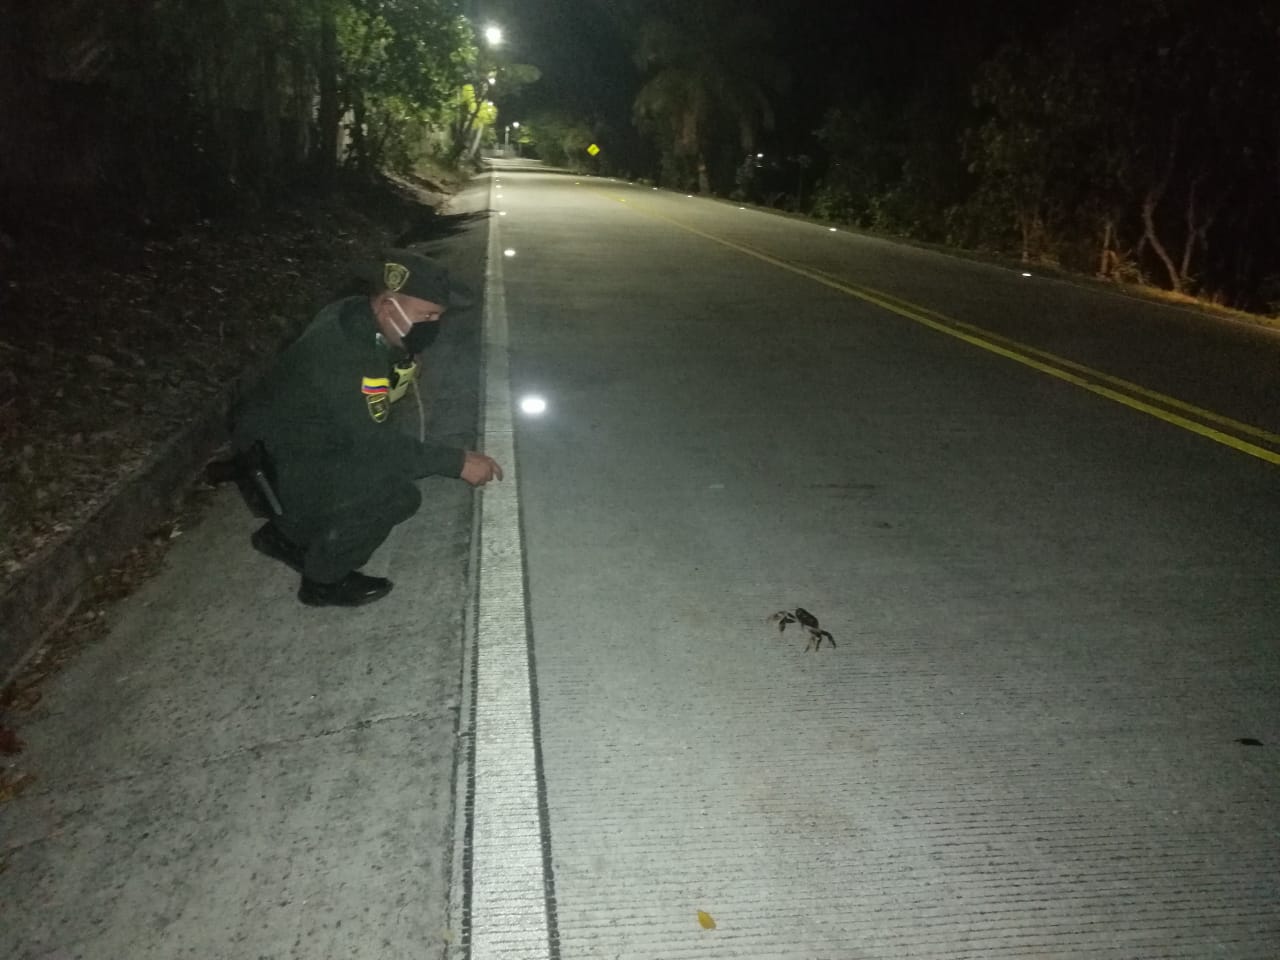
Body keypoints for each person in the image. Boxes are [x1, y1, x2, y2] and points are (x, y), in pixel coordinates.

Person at [230, 248, 502, 607]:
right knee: (393, 495)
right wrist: (459, 462)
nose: (433, 325)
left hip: (285, 436)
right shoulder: (348, 357)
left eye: (438, 316)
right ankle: (323, 582)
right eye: (427, 315)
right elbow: (376, 446)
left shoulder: (356, 314)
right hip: (279, 459)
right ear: (389, 307)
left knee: (375, 458)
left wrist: (399, 357)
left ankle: (286, 536)